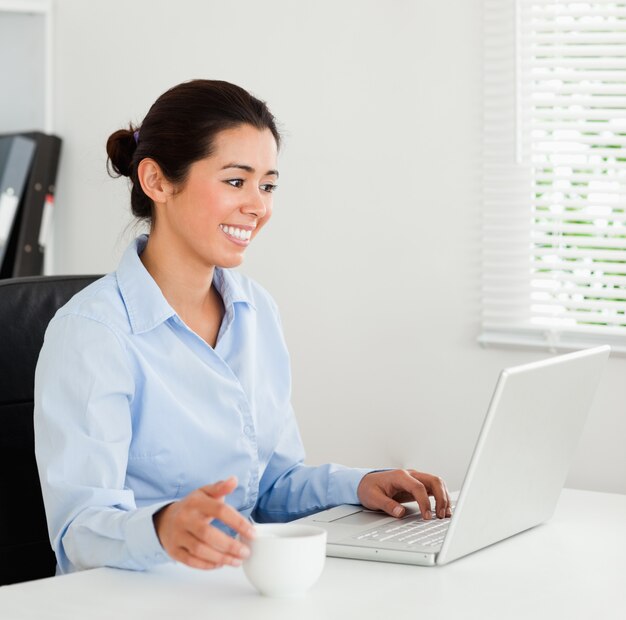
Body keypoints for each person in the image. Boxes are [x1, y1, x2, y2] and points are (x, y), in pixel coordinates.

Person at [34, 79, 451, 574]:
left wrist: (360, 485)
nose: (259, 206)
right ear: (158, 182)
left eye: (268, 184)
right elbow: (79, 532)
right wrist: (163, 527)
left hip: (235, 588)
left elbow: (268, 486)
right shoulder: (91, 333)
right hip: (132, 598)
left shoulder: (256, 311)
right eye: (236, 181)